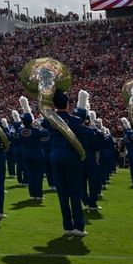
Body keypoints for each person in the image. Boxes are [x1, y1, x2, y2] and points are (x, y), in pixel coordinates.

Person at [41, 89, 87, 236]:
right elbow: (82, 140)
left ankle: (67, 226)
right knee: (75, 191)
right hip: (71, 155)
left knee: (62, 192)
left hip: (55, 155)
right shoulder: (76, 120)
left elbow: (44, 121)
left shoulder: (48, 120)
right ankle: (78, 226)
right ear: (67, 103)